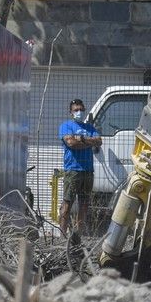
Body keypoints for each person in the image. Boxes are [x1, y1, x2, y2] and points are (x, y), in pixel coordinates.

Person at [58, 97, 102, 238]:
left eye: (81, 110)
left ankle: (78, 237)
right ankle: (62, 236)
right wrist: (88, 142)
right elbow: (70, 143)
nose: (79, 112)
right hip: (73, 170)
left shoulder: (90, 127)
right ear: (71, 112)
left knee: (83, 206)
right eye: (76, 110)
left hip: (87, 171)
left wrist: (81, 139)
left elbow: (99, 141)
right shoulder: (66, 126)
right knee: (67, 205)